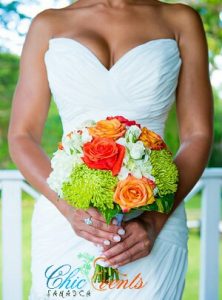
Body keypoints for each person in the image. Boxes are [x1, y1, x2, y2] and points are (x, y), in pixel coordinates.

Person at [8, 0, 213, 299]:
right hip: (67, 222)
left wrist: (153, 221)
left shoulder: (181, 19)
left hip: (154, 223)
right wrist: (69, 209)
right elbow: (21, 135)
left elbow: (198, 133)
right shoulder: (48, 24)